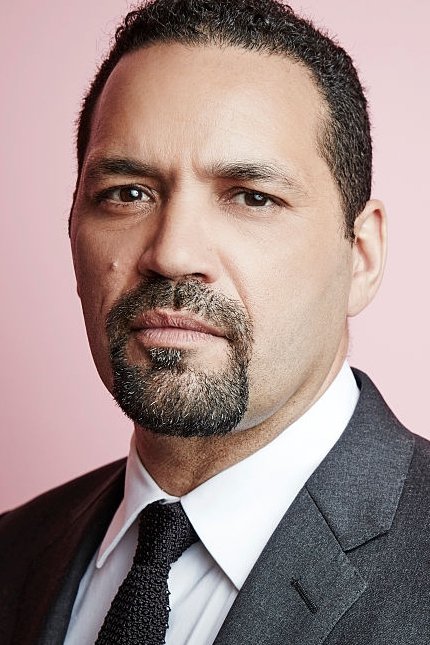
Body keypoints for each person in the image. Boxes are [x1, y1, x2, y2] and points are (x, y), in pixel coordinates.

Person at [1, 0, 430, 643]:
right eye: (127, 194)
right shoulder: (15, 553)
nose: (172, 253)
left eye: (252, 198)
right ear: (72, 232)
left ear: (361, 256)